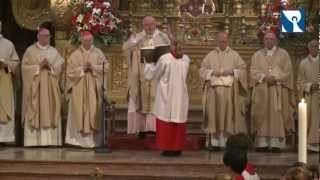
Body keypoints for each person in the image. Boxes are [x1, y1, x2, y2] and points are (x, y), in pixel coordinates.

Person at [122, 16, 171, 138]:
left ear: (155, 25)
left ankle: (156, 128)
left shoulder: (163, 37)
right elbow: (125, 48)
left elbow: (171, 52)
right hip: (141, 75)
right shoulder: (138, 37)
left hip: (157, 76)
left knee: (157, 100)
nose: (149, 27)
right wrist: (134, 44)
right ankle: (142, 128)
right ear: (143, 25)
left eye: (151, 24)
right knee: (140, 99)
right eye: (147, 25)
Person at [199, 32, 248, 151]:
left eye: (225, 41)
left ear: (228, 41)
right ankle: (215, 143)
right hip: (214, 92)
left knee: (228, 116)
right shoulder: (210, 55)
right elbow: (202, 69)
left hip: (229, 92)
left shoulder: (235, 55)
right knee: (214, 116)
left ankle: (227, 143)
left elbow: (243, 69)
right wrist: (211, 73)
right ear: (217, 41)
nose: (223, 43)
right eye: (221, 41)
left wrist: (232, 71)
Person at [250, 32, 294, 152]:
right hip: (262, 91)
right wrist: (264, 77)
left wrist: (276, 78)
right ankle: (262, 143)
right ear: (263, 41)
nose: (269, 41)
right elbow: (253, 71)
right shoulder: (257, 55)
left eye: (271, 39)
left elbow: (288, 71)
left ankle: (276, 143)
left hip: (277, 90)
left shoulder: (283, 54)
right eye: (266, 39)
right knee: (262, 115)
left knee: (276, 114)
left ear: (275, 40)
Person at [144, 41, 190, 156]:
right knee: (173, 121)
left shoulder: (168, 59)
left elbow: (153, 74)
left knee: (171, 121)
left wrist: (148, 65)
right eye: (178, 46)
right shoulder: (183, 59)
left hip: (171, 95)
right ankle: (173, 148)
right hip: (174, 96)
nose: (179, 48)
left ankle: (171, 148)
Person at [65, 31, 109, 148]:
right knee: (79, 112)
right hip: (79, 89)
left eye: (89, 40)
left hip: (94, 90)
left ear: (92, 41)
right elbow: (69, 73)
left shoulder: (98, 53)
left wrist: (93, 67)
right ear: (81, 41)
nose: (87, 43)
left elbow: (106, 67)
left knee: (94, 113)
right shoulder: (75, 55)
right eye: (85, 41)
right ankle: (77, 141)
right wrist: (83, 69)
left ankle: (94, 141)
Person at [21, 27, 64, 146]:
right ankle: (33, 142)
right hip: (36, 89)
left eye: (49, 36)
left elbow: (60, 65)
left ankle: (51, 141)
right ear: (38, 37)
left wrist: (50, 66)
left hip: (50, 88)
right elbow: (24, 68)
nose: (47, 38)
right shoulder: (30, 51)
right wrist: (38, 66)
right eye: (45, 36)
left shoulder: (54, 51)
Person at [297, 39, 319, 152]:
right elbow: (300, 82)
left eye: (316, 46)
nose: (314, 48)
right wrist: (310, 85)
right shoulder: (303, 63)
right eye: (312, 46)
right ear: (309, 48)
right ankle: (311, 143)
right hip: (310, 94)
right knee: (310, 118)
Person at [0, 20, 20, 144]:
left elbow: (16, 63)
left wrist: (5, 64)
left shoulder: (8, 44)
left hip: (4, 79)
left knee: (4, 105)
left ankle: (3, 138)